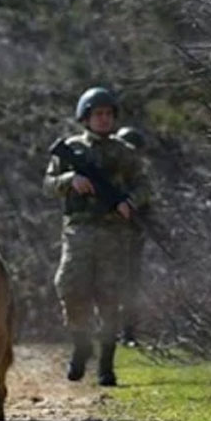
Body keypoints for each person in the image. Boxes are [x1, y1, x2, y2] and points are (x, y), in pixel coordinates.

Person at [43, 86, 149, 387]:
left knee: (109, 298)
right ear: (85, 118)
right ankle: (80, 344)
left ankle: (106, 364)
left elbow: (144, 185)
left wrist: (130, 202)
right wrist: (69, 180)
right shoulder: (72, 149)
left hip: (114, 234)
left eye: (108, 114)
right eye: (97, 114)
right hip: (78, 231)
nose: (103, 119)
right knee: (70, 287)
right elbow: (48, 184)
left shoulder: (125, 153)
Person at [114, 126, 148, 347]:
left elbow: (146, 200)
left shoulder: (139, 177)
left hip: (132, 237)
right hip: (107, 236)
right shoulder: (110, 173)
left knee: (130, 286)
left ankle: (128, 332)